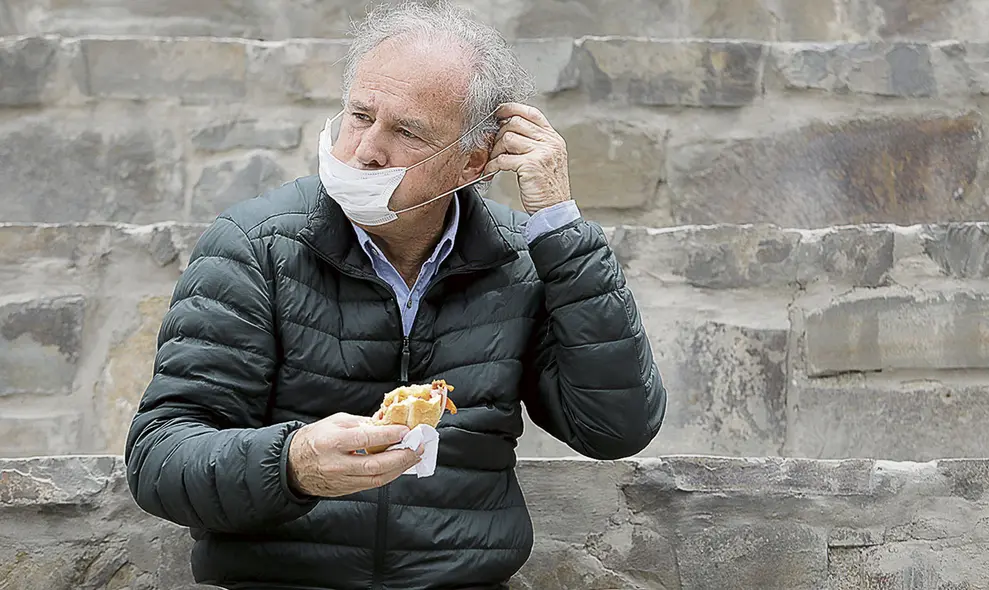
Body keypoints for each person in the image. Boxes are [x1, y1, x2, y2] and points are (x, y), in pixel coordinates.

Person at [124, 2, 667, 588]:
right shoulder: (253, 245)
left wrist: (560, 229)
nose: (365, 150)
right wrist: (293, 465)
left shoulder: (522, 261)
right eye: (360, 115)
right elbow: (161, 456)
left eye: (406, 131)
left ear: (474, 160)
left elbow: (617, 429)